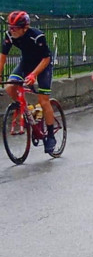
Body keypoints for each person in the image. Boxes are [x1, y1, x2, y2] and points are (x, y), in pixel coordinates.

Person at [0, 11, 56, 153]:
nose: (11, 31)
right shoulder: (9, 36)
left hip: (43, 66)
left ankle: (50, 135)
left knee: (43, 100)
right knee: (10, 87)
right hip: (26, 64)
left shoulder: (37, 36)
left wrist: (34, 75)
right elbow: (2, 57)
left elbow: (46, 59)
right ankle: (28, 110)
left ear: (25, 28)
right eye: (9, 27)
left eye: (14, 28)